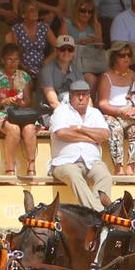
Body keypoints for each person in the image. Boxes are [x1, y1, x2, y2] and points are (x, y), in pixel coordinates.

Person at [47, 79, 113, 208]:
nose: (81, 98)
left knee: (105, 176)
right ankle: (98, 212)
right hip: (65, 162)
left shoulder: (95, 113)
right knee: (74, 176)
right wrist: (91, 138)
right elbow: (62, 133)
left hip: (92, 161)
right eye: (78, 95)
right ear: (71, 96)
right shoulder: (61, 111)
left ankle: (93, 213)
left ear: (89, 96)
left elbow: (104, 135)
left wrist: (80, 128)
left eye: (84, 94)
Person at [0, 42, 38, 177]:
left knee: (30, 128)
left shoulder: (24, 76)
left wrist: (21, 102)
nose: (13, 63)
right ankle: (10, 169)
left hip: (19, 114)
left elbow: (28, 101)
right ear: (3, 60)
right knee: (13, 130)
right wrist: (3, 102)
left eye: (16, 60)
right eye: (9, 59)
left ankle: (31, 166)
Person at [97, 43, 135, 175]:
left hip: (130, 115)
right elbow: (102, 103)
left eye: (129, 55)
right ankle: (118, 167)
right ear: (114, 58)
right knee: (115, 129)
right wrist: (118, 111)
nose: (126, 58)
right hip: (112, 115)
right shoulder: (106, 77)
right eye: (122, 55)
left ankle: (131, 167)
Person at [40, 33, 91, 113]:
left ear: (74, 51)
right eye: (63, 49)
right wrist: (71, 115)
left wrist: (89, 113)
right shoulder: (46, 70)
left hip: (75, 112)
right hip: (52, 113)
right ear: (56, 51)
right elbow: (53, 103)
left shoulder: (77, 71)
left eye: (70, 49)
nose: (66, 52)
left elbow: (86, 97)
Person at [7, 0, 53, 81]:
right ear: (23, 14)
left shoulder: (44, 27)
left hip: (42, 67)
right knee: (26, 81)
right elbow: (14, 52)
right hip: (23, 67)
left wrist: (46, 62)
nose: (35, 12)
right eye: (32, 10)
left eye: (36, 10)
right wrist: (24, 67)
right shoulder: (17, 29)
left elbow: (58, 47)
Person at [61, 0, 106, 75]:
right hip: (72, 62)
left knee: (93, 78)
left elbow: (100, 49)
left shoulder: (96, 25)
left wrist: (95, 41)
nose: (86, 14)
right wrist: (77, 42)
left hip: (91, 63)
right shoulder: (67, 24)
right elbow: (61, 46)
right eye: (83, 11)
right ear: (76, 10)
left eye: (90, 12)